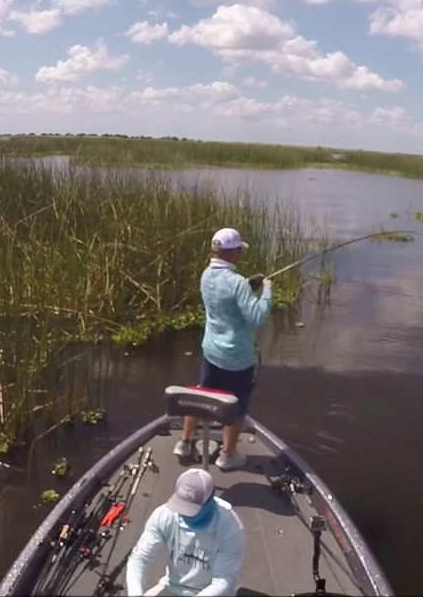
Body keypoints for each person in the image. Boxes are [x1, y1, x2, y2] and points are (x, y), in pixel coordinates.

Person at [174, 227, 272, 470]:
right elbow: (258, 317)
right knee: (236, 405)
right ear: (232, 251)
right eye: (239, 249)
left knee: (200, 392)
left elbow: (224, 298)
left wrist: (249, 286)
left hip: (211, 351)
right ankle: (228, 455)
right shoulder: (237, 283)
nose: (240, 252)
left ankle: (184, 442)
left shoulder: (206, 275)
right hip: (237, 358)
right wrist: (267, 290)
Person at [125, 468, 245, 597]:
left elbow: (223, 580)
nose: (183, 513)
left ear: (210, 500)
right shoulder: (164, 515)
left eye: (191, 508)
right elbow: (140, 558)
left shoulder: (231, 527)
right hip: (172, 586)